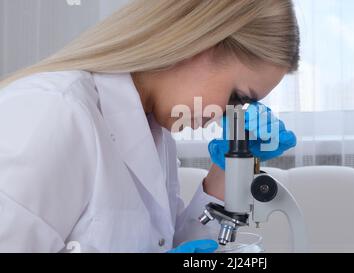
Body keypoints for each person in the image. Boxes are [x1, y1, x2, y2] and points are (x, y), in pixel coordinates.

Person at [0, 0, 299, 253]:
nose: (228, 115)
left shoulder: (156, 131)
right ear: (201, 42)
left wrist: (232, 164)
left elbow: (164, 245)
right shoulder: (54, 113)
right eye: (237, 97)